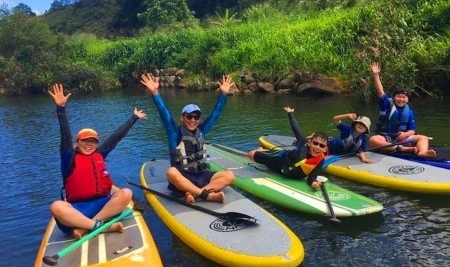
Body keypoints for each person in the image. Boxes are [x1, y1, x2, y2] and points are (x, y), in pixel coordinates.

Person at [48, 83, 147, 239]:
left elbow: (116, 136)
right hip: (77, 210)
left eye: (93, 141)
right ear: (77, 142)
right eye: (85, 141)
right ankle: (99, 226)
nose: (89, 144)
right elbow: (65, 134)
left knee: (126, 193)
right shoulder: (69, 157)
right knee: (56, 207)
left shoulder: (99, 153)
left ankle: (88, 227)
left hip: (103, 206)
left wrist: (134, 118)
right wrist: (61, 108)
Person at [140, 73, 235, 204]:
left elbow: (215, 115)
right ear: (182, 117)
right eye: (189, 116)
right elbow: (164, 113)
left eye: (196, 117)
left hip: (201, 176)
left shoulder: (201, 131)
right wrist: (155, 93)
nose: (192, 120)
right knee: (171, 172)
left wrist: (223, 95)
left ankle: (195, 194)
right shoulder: (174, 132)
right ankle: (207, 195)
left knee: (229, 176)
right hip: (182, 178)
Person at [248, 107, 328, 189]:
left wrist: (313, 183)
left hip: (292, 175)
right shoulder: (304, 143)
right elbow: (296, 129)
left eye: (321, 145)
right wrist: (290, 113)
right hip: (279, 161)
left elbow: (312, 177)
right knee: (250, 154)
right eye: (315, 143)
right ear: (310, 143)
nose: (317, 147)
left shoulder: (320, 160)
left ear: (325, 149)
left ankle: (264, 150)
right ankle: (261, 150)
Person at [368, 62, 436, 158]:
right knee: (372, 140)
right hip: (386, 139)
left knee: (423, 138)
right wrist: (376, 75)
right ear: (394, 98)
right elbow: (380, 92)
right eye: (398, 97)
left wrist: (405, 134)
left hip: (402, 139)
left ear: (407, 100)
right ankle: (402, 149)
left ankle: (422, 152)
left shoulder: (409, 112)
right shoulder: (386, 105)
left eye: (404, 97)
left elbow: (412, 130)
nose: (401, 99)